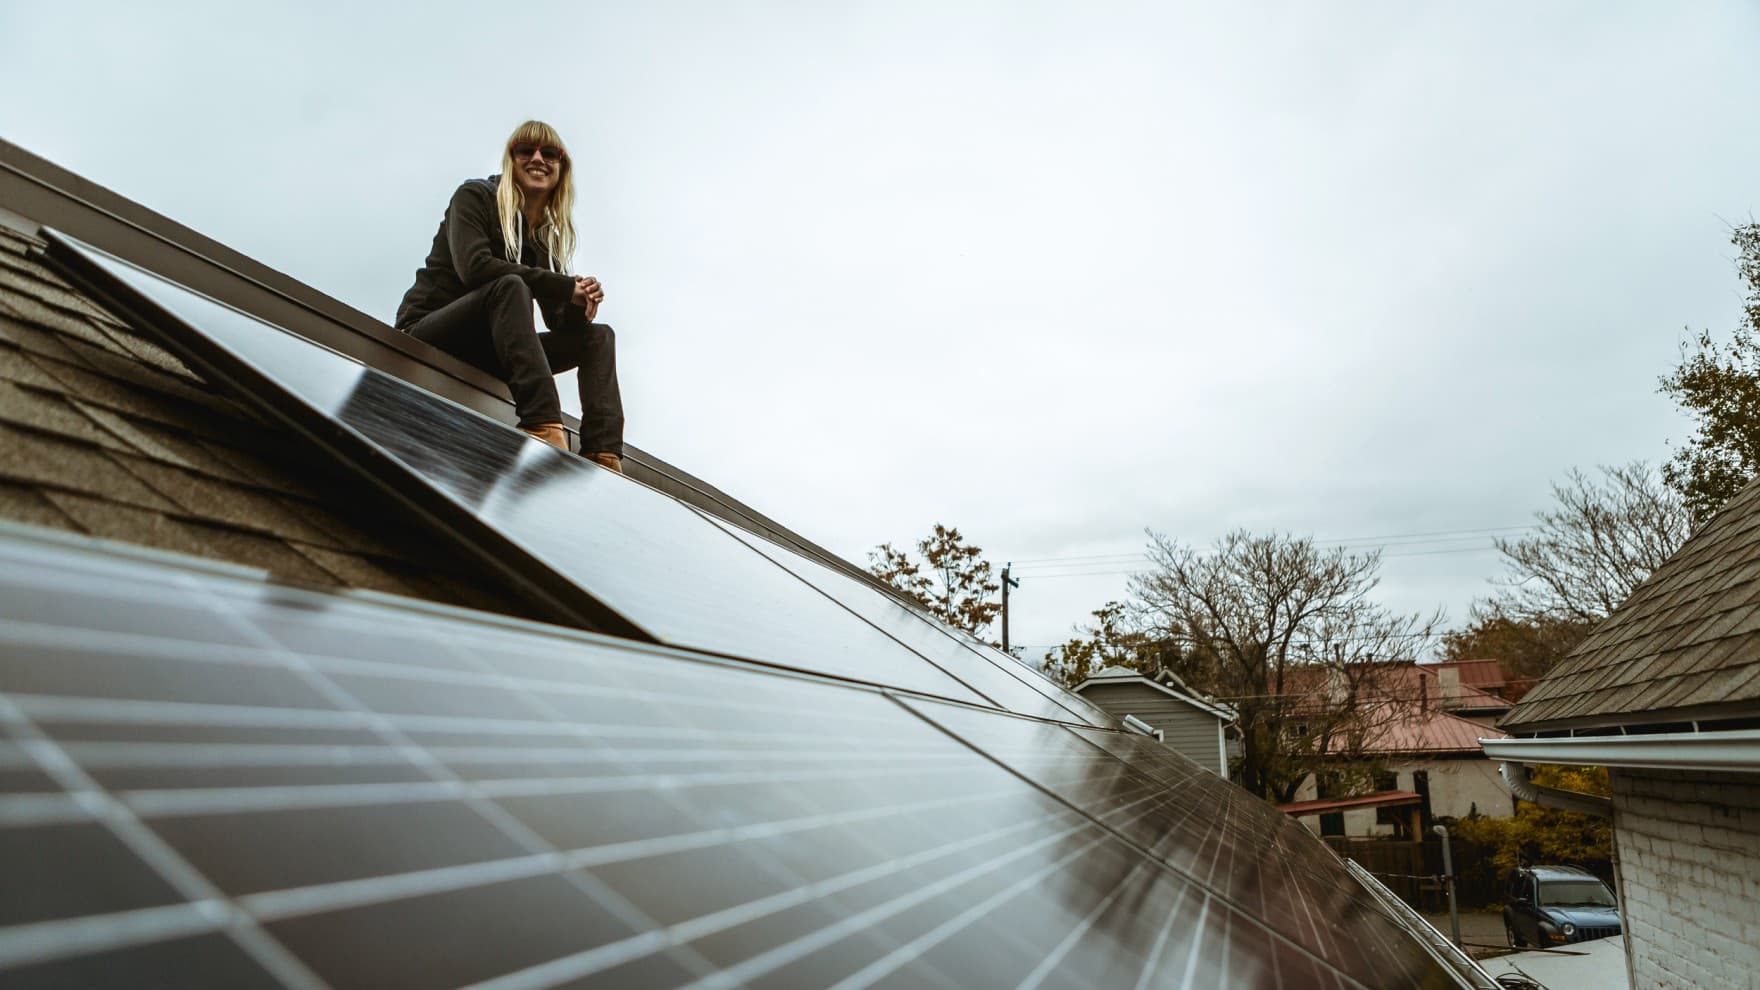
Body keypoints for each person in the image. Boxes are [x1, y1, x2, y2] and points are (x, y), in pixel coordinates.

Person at [395, 120, 624, 473]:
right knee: (510, 286)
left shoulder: (545, 238)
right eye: (525, 150)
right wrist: (563, 286)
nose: (538, 158)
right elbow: (476, 268)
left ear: (561, 169)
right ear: (510, 160)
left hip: (493, 351)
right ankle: (543, 424)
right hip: (429, 332)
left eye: (550, 153)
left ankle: (603, 454)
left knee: (599, 337)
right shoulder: (474, 197)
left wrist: (579, 304)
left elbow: (558, 322)